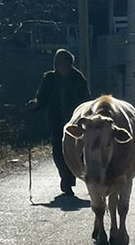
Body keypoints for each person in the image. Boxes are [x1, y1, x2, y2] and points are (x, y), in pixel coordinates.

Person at [28, 48, 90, 197]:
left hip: (74, 122)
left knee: (76, 152)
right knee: (58, 152)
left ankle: (72, 177)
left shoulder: (78, 79)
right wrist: (35, 103)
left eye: (61, 62)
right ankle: (66, 180)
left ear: (69, 63)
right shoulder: (49, 78)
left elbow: (86, 101)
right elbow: (42, 97)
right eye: (56, 62)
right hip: (56, 121)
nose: (57, 65)